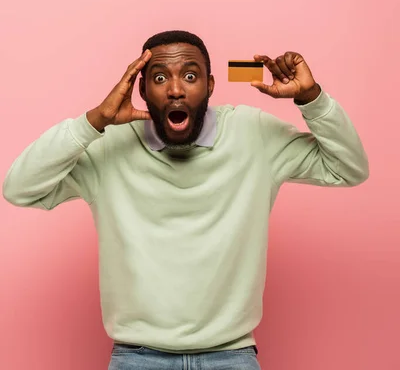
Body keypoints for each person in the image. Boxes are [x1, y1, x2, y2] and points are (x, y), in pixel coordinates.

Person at [2, 30, 369, 370]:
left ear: (210, 86)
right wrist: (93, 122)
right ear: (141, 89)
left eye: (190, 76)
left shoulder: (253, 134)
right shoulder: (109, 147)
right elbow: (19, 188)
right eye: (160, 78)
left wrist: (311, 98)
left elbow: (349, 168)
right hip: (136, 357)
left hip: (232, 356)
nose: (176, 90)